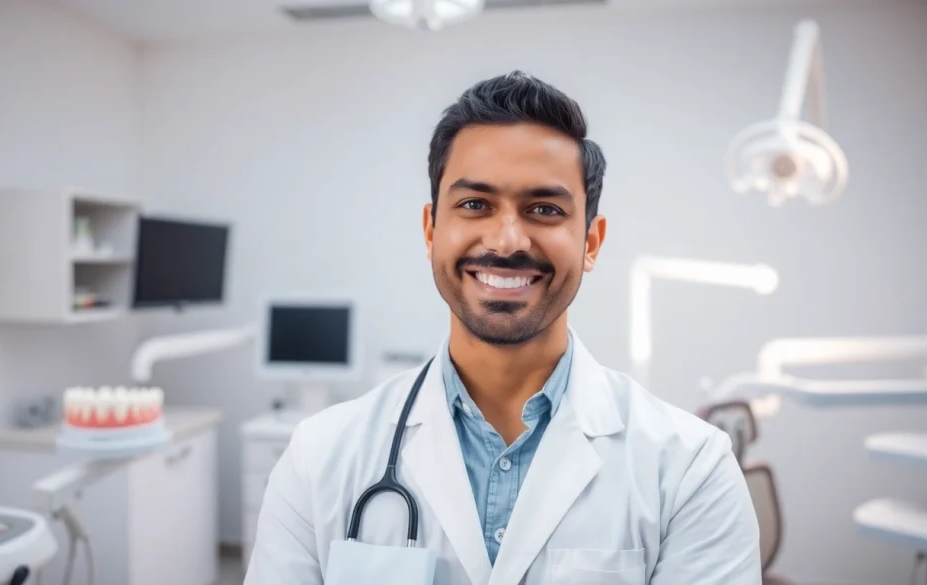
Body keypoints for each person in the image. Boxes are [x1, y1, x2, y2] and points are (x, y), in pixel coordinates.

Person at [244, 71, 761, 585]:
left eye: (544, 209)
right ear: (431, 230)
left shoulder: (692, 471)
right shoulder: (318, 458)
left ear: (591, 242)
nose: (508, 239)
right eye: (475, 204)